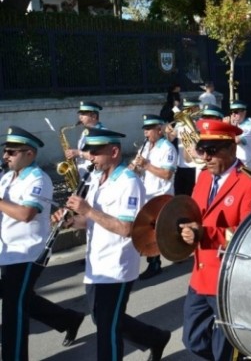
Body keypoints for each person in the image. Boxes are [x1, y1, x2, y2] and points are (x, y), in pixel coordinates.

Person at [56, 127, 171, 361]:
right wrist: (70, 220)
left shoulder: (129, 182)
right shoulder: (96, 178)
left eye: (96, 153)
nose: (91, 157)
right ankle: (154, 338)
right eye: (89, 152)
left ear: (114, 151)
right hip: (96, 263)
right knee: (103, 319)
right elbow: (89, 222)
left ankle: (152, 339)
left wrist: (88, 210)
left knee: (107, 329)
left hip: (117, 267)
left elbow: (127, 228)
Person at [178, 119, 251, 360]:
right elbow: (195, 213)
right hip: (200, 274)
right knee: (192, 339)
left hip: (228, 280)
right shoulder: (205, 177)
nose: (205, 157)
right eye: (202, 150)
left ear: (231, 149)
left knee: (226, 351)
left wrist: (205, 234)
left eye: (212, 151)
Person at [0, 127, 86, 360]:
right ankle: (67, 318)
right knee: (19, 298)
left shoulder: (39, 179)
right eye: (5, 151)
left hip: (27, 254)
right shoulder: (7, 177)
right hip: (6, 251)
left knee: (14, 311)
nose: (5, 156)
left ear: (29, 153)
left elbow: (26, 213)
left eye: (11, 152)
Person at [131, 114, 178, 280]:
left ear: (159, 130)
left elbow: (167, 174)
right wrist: (134, 167)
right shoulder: (145, 148)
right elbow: (139, 170)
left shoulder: (168, 148)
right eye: (145, 130)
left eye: (149, 129)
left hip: (160, 195)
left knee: (154, 231)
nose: (146, 133)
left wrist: (146, 165)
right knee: (159, 230)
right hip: (146, 194)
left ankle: (155, 264)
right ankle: (176, 250)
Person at [166, 99, 200, 196]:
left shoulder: (198, 124)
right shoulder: (180, 123)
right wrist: (169, 132)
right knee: (179, 195)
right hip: (180, 165)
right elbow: (171, 138)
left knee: (191, 196)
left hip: (193, 166)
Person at [64, 101, 105, 177]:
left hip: (95, 177)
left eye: (83, 114)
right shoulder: (85, 132)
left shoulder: (101, 133)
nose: (80, 117)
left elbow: (100, 156)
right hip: (85, 175)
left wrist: (78, 153)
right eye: (80, 114)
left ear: (94, 116)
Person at [228, 100, 251, 169]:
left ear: (244, 112)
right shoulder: (237, 125)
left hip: (244, 164)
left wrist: (229, 127)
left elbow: (236, 140)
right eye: (231, 112)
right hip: (233, 162)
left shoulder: (249, 127)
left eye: (236, 112)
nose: (233, 115)